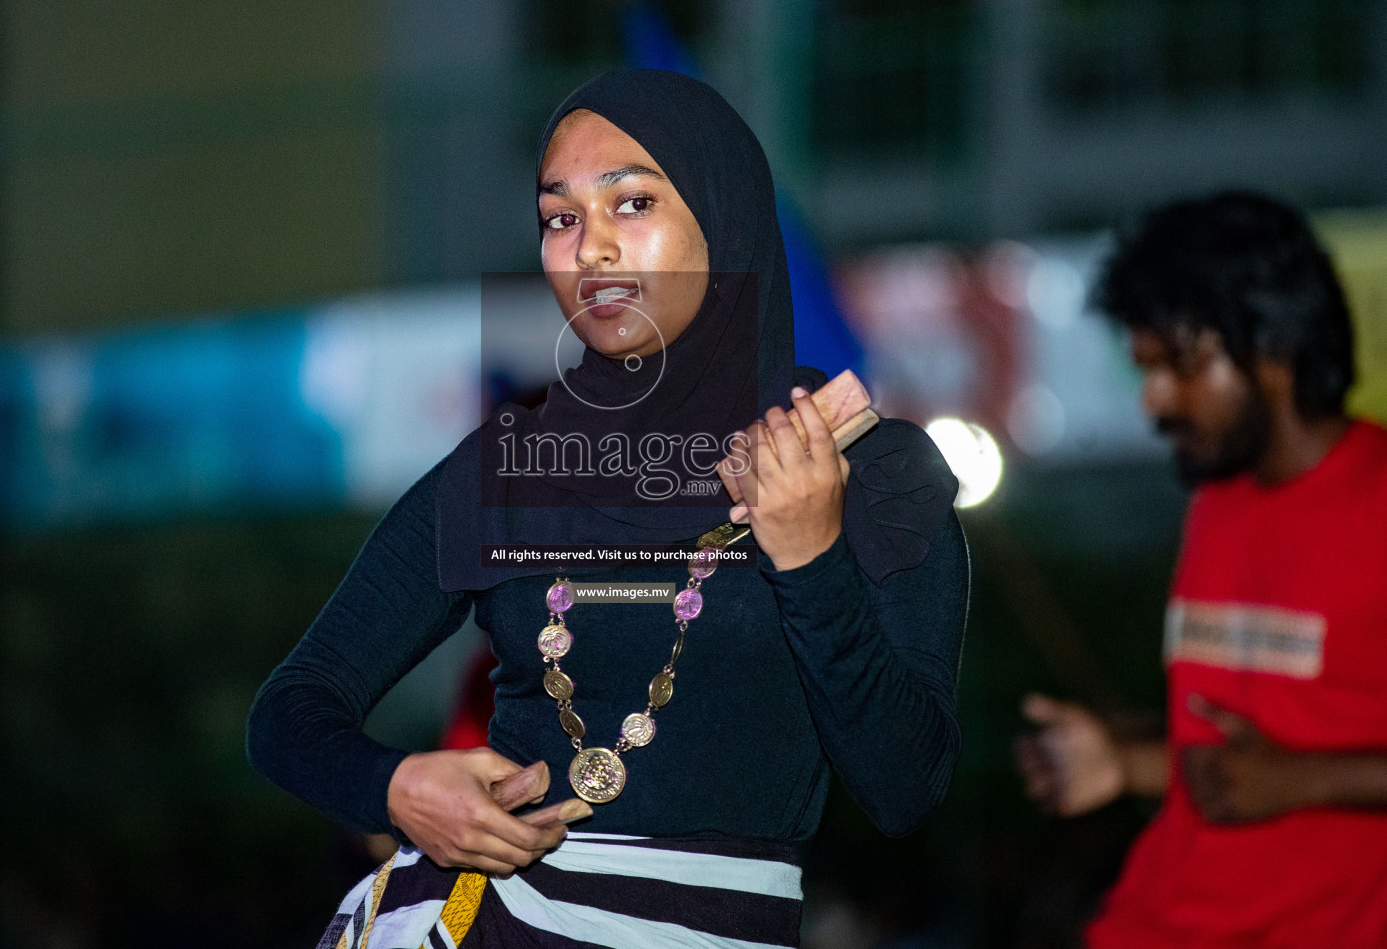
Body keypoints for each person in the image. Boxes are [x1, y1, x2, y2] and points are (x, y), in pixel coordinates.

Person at [247, 69, 969, 949]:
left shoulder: (865, 470)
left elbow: (904, 788)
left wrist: (812, 558)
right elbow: (290, 712)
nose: (590, 249)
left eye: (631, 204)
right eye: (561, 218)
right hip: (491, 921)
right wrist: (396, 787)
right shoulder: (507, 471)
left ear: (723, 219)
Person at [1016, 191, 1387, 949]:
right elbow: (1229, 761)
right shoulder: (1217, 503)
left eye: (1179, 366)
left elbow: (1282, 771)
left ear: (1272, 350)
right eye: (1145, 369)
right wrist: (1119, 762)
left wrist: (1307, 782)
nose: (1154, 402)